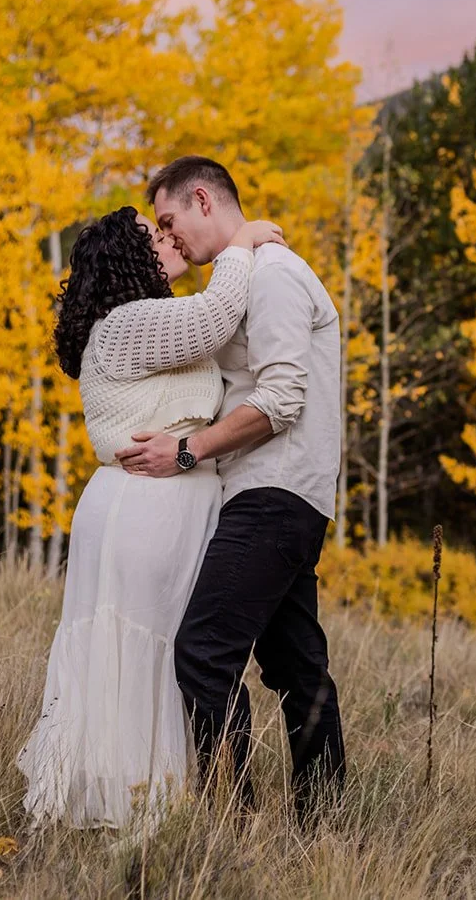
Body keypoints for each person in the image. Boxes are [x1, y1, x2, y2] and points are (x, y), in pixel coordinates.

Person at [17, 204, 283, 829]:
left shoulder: (143, 324)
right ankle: (144, 811)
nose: (169, 241)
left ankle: (164, 804)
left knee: (165, 655)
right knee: (150, 653)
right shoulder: (127, 323)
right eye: (153, 236)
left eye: (166, 230)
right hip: (145, 508)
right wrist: (239, 242)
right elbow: (217, 317)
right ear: (127, 260)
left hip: (162, 501)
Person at [115, 155, 345, 824]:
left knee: (202, 653)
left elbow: (280, 400)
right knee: (298, 668)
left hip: (273, 495)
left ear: (201, 199)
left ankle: (232, 819)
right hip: (276, 494)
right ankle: (324, 824)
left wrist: (186, 451)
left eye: (168, 220)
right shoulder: (244, 276)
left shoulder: (274, 275)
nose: (169, 236)